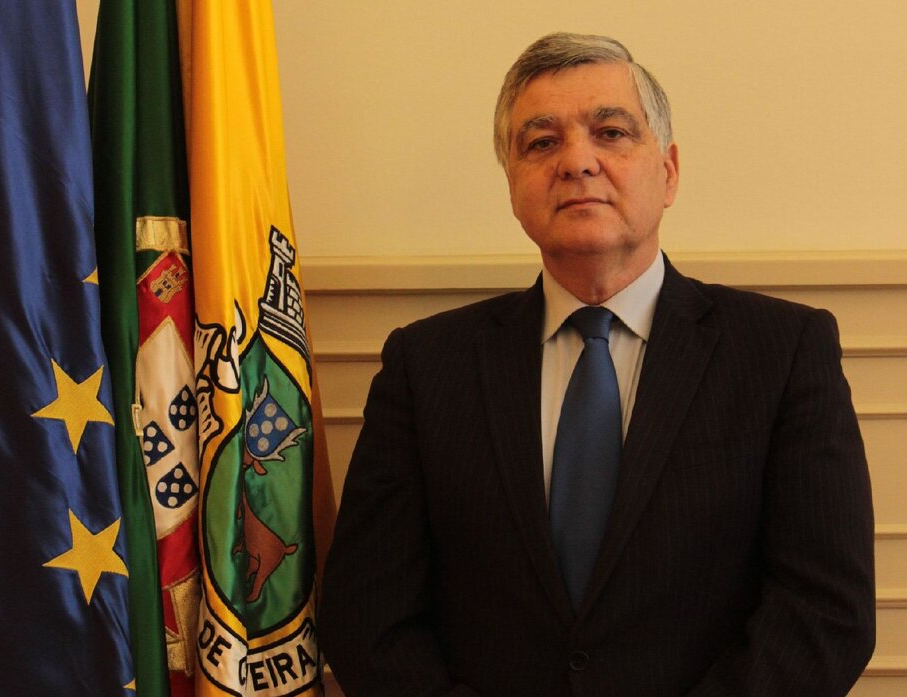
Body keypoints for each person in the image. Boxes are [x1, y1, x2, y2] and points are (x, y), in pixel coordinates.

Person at [318, 33, 875, 696]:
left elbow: (825, 614)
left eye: (611, 132)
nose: (577, 162)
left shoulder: (784, 352)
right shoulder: (425, 366)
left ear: (668, 172)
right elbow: (367, 617)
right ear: (512, 185)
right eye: (541, 142)